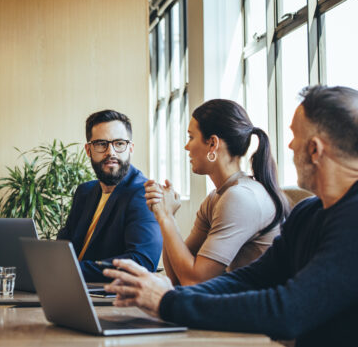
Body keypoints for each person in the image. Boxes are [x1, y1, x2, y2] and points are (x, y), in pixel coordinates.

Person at [103, 85, 358, 347]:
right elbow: (249, 279)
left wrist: (168, 302)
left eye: (295, 136)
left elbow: (288, 310)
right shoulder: (308, 212)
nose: (290, 145)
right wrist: (167, 295)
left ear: (315, 149)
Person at [144, 100, 288, 285]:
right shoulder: (217, 197)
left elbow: (193, 281)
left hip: (258, 309)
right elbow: (176, 278)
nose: (186, 147)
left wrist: (166, 217)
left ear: (212, 144)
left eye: (191, 137)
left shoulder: (240, 198)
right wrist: (164, 216)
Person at [57, 110, 162, 282]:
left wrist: (70, 270)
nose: (110, 152)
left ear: (130, 148)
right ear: (88, 150)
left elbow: (141, 262)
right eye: (101, 144)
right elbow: (64, 245)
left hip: (111, 298)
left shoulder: (143, 194)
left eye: (119, 143)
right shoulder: (85, 192)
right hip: (69, 288)